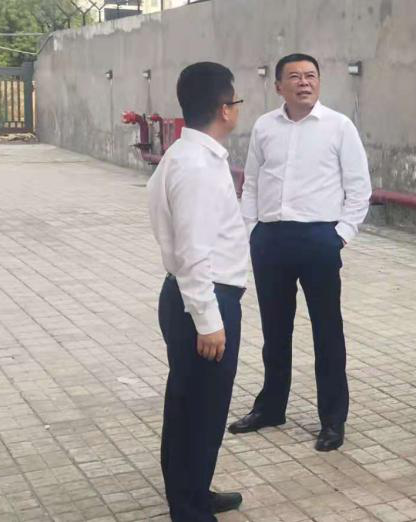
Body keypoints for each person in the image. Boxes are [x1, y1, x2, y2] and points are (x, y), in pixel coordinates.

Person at [227, 53, 372, 452]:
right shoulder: (264, 127)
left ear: (319, 82)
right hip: (270, 240)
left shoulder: (338, 127)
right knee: (275, 331)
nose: (304, 82)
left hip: (319, 239)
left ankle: (332, 420)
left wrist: (340, 236)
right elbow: (252, 182)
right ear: (279, 86)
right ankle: (271, 407)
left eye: (310, 75)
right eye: (294, 76)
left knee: (327, 332)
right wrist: (252, 229)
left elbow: (359, 187)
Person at [147, 62, 249, 521]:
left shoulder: (186, 155)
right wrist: (209, 320)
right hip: (203, 301)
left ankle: (193, 493)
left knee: (192, 405)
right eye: (236, 101)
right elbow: (193, 253)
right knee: (199, 411)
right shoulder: (196, 167)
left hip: (194, 296)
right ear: (224, 109)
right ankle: (188, 510)